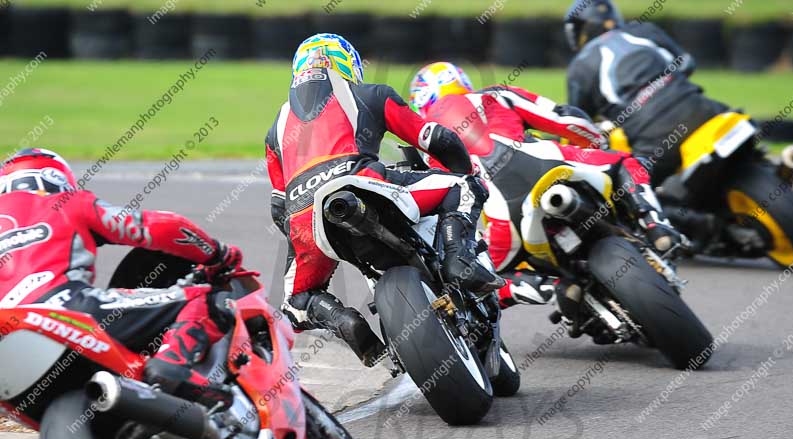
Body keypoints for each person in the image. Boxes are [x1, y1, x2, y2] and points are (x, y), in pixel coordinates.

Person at [266, 34, 502, 365]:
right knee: (463, 187)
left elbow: (279, 207)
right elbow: (436, 138)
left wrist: (305, 240)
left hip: (305, 216)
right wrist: (461, 168)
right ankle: (457, 260)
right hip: (364, 185)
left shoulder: (275, 128)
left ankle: (342, 320)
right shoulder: (370, 93)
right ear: (347, 64)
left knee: (296, 301)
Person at [409, 61, 680, 308]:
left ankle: (552, 289)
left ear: (421, 103)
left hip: (504, 222)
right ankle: (655, 225)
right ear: (462, 81)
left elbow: (444, 206)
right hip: (553, 166)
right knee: (629, 164)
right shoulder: (495, 95)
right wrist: (595, 143)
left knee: (478, 277)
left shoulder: (426, 143)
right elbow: (567, 120)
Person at [0, 148, 243, 406]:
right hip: (64, 308)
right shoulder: (66, 202)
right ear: (57, 179)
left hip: (8, 339)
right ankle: (171, 371)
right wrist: (219, 254)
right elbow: (161, 227)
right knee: (208, 299)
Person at [563, 0, 726, 186]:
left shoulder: (580, 66)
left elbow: (578, 123)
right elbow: (686, 63)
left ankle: (688, 215)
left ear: (579, 31)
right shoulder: (645, 30)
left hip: (652, 136)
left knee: (626, 195)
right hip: (701, 109)